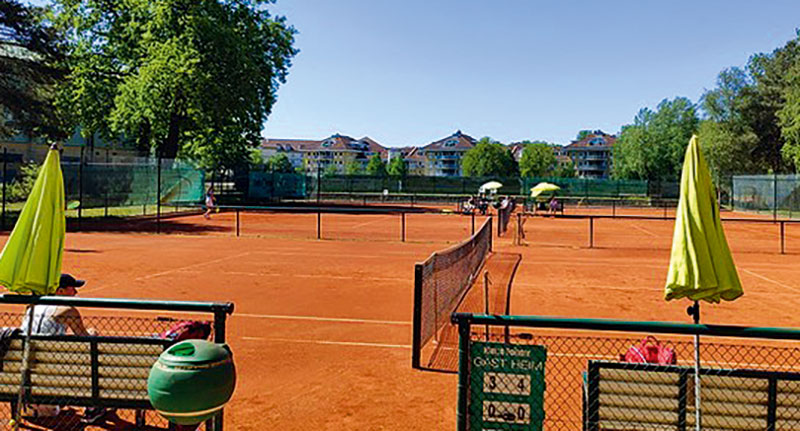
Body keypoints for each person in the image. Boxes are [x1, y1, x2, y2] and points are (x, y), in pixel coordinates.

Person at [20, 274, 105, 424]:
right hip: (53, 377)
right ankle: (92, 407)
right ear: (59, 291)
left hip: (25, 382)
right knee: (91, 344)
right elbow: (85, 340)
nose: (76, 293)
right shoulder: (67, 310)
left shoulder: (31, 307)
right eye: (72, 289)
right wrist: (93, 333)